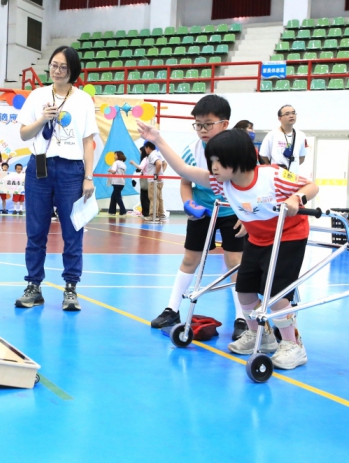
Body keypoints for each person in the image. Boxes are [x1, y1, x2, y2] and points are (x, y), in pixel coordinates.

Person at [138, 123, 318, 370]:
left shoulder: (273, 176)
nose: (213, 167)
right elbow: (183, 169)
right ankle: (261, 335)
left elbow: (312, 186)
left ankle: (293, 345)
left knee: (275, 296)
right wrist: (157, 139)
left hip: (287, 236)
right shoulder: (222, 183)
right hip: (257, 238)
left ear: (238, 159)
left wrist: (297, 198)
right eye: (211, 160)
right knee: (244, 290)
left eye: (218, 161)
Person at [149, 95, 247, 341]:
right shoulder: (191, 151)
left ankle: (243, 317)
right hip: (203, 211)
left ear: (225, 124)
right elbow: (186, 182)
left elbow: (250, 185)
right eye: (198, 125)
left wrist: (246, 214)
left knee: (235, 261)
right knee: (190, 258)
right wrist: (188, 203)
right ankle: (172, 310)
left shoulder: (238, 149)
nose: (202, 130)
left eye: (208, 124)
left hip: (233, 211)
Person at [15, 45, 98, 311]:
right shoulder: (37, 95)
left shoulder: (83, 100)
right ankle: (34, 286)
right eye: (54, 65)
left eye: (63, 67)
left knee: (73, 231)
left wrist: (88, 177)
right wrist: (42, 119)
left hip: (71, 171)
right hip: (39, 166)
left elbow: (88, 142)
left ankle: (71, 288)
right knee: (36, 231)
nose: (57, 71)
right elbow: (24, 134)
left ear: (73, 71)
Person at [259, 105, 307, 174]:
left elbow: (302, 157)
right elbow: (263, 156)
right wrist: (271, 168)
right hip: (276, 174)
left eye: (293, 113)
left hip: (293, 175)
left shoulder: (301, 135)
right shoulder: (272, 135)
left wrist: (292, 165)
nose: (291, 116)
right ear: (279, 118)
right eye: (287, 114)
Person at [129, 146, 150, 217]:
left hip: (145, 180)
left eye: (141, 152)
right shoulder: (150, 159)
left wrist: (133, 163)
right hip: (149, 179)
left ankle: (146, 213)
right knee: (148, 197)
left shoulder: (145, 159)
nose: (140, 153)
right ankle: (147, 212)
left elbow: (140, 167)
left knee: (144, 197)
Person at [107, 151, 127, 216]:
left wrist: (109, 170)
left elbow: (113, 171)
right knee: (114, 196)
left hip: (116, 182)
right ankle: (111, 211)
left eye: (115, 155)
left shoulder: (116, 163)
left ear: (118, 156)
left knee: (117, 197)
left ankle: (123, 211)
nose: (114, 156)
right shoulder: (123, 164)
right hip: (122, 182)